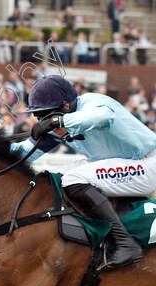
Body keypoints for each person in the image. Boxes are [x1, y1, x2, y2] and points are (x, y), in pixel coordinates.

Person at [11, 75, 155, 269]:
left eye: (45, 114)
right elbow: (22, 154)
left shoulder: (94, 102)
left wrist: (56, 121)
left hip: (147, 163)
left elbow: (102, 117)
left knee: (74, 177)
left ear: (67, 107)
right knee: (56, 177)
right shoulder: (60, 123)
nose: (42, 120)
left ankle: (125, 243)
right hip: (124, 166)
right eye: (39, 116)